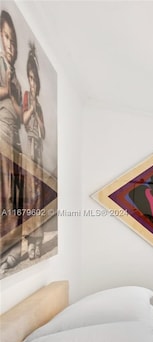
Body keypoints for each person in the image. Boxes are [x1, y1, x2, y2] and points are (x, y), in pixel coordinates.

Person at [0, 9, 23, 273]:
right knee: (6, 193)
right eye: (6, 37)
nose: (10, 44)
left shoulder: (12, 71)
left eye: (13, 39)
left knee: (15, 195)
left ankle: (13, 247)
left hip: (13, 135)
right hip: (3, 133)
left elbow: (17, 110)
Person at [23, 42, 45, 259]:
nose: (32, 83)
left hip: (37, 148)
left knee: (37, 194)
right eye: (30, 79)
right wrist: (31, 109)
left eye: (34, 80)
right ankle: (29, 240)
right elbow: (23, 119)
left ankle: (36, 240)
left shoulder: (39, 105)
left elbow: (44, 131)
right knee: (29, 194)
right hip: (29, 147)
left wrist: (38, 115)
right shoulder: (28, 99)